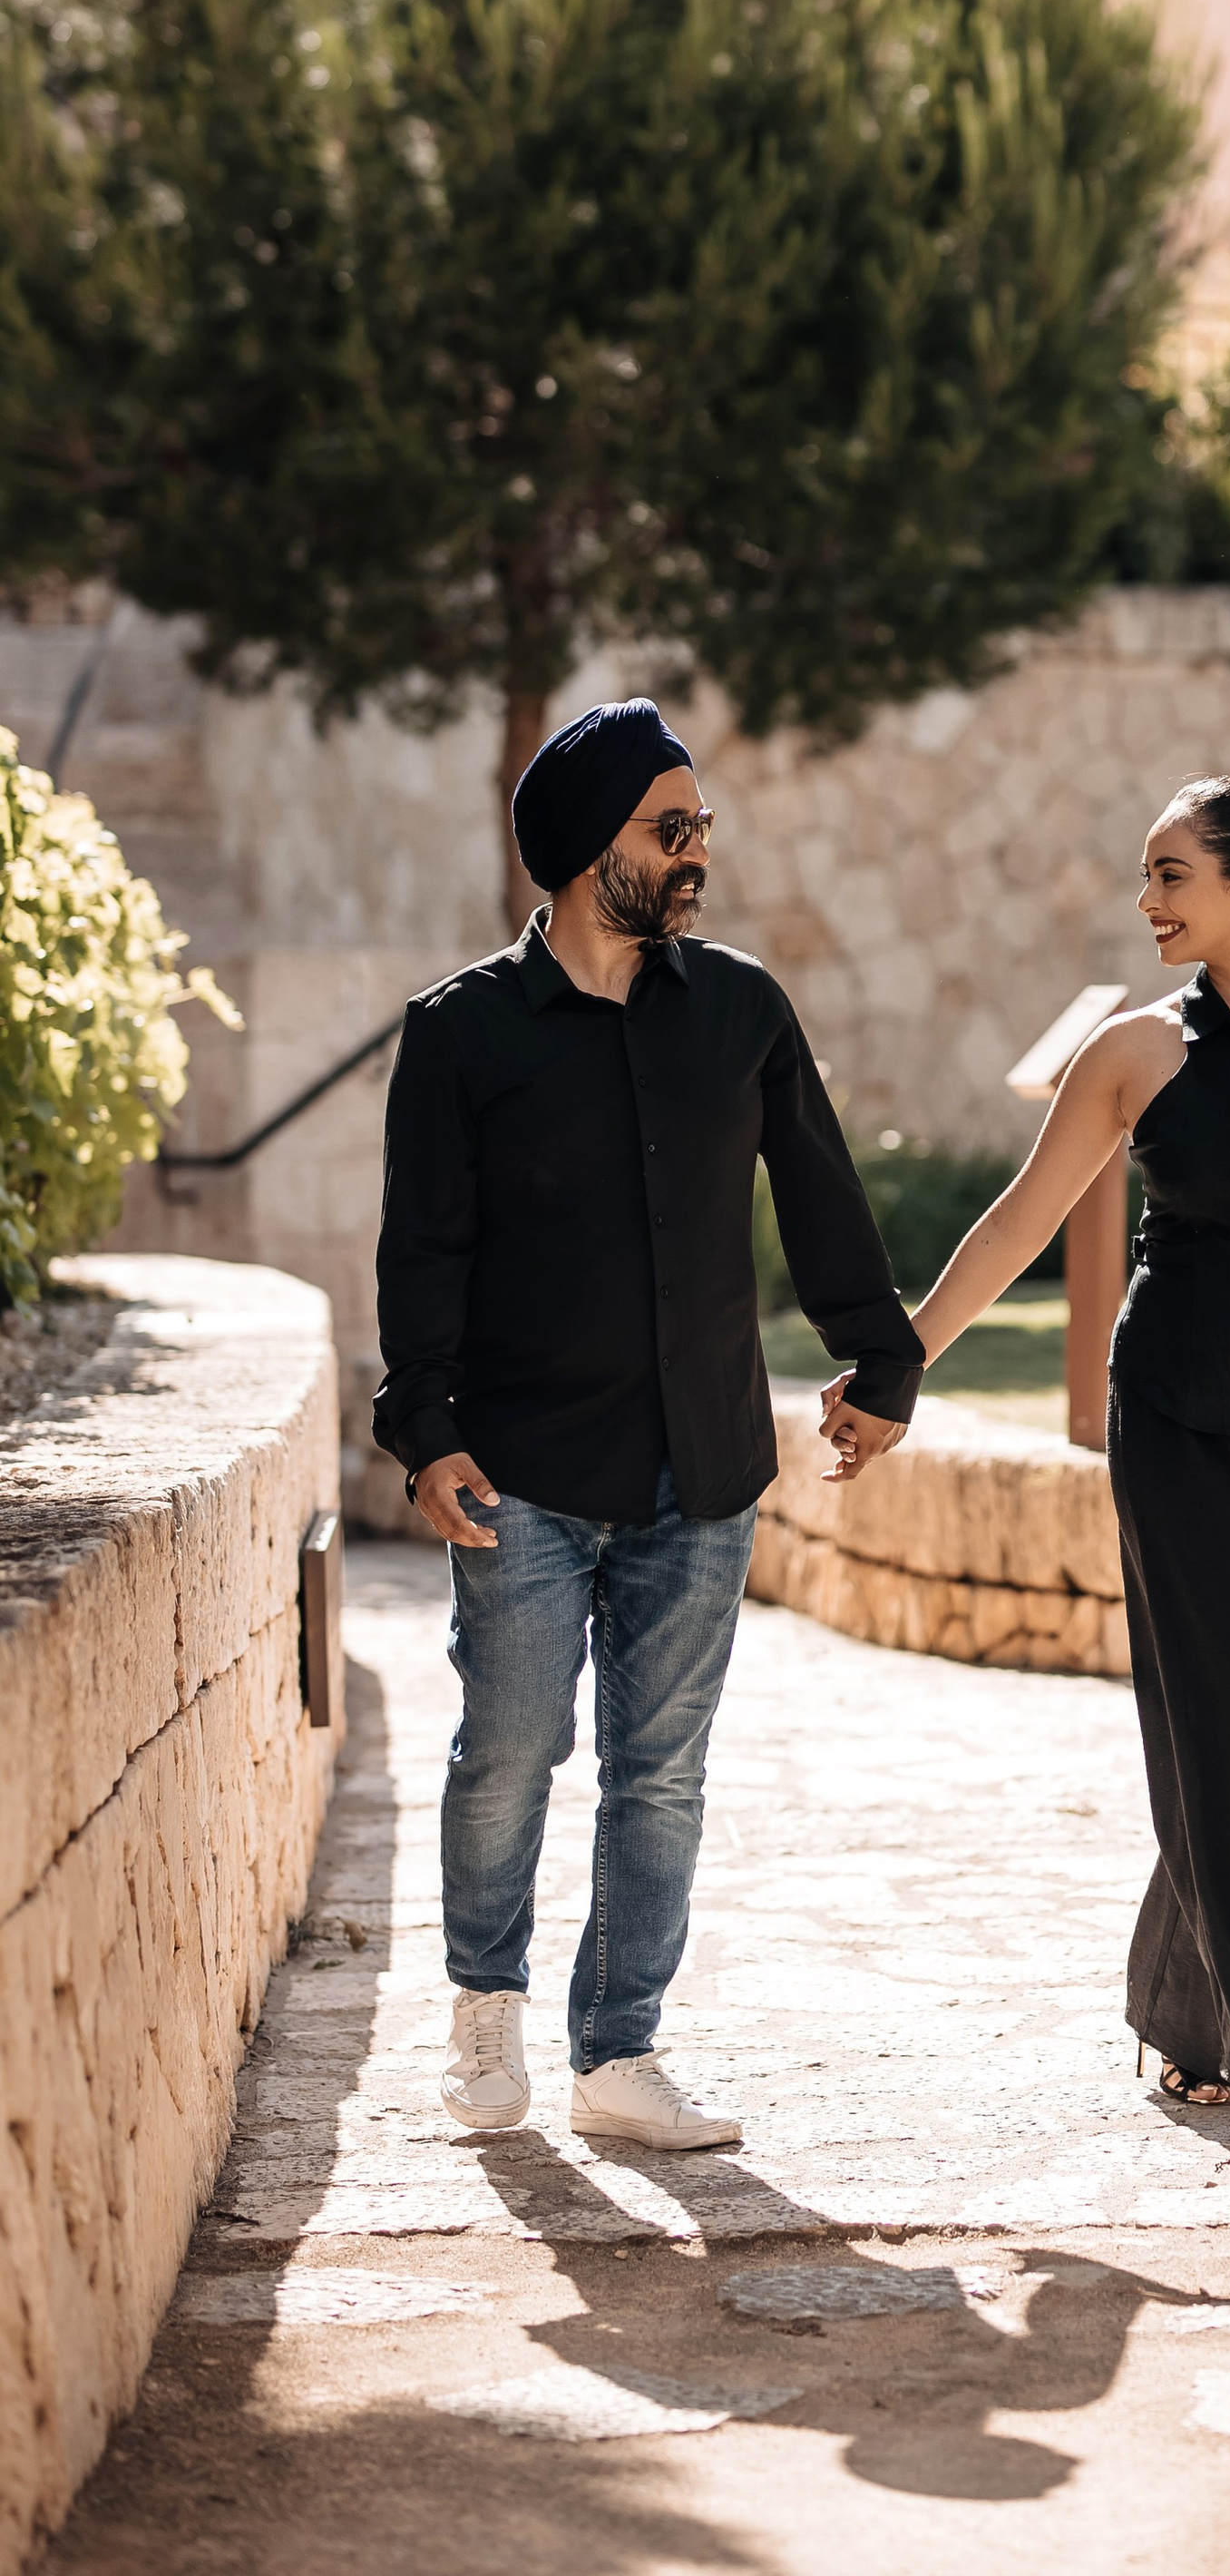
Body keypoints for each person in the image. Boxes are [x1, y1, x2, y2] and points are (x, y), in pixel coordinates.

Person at [827, 764, 1230, 2148]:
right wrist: (900, 1367)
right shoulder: (1131, 1053)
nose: (1146, 903)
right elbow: (1016, 1223)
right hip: (1181, 1422)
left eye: (1170, 876)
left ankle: (1188, 2018)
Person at [376, 697, 921, 2150]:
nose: (694, 855)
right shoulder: (461, 1034)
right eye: (665, 829)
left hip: (706, 1471)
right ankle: (483, 2017)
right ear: (581, 850)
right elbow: (422, 1251)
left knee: (659, 1771)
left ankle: (616, 2055)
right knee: (507, 1751)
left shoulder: (741, 1008)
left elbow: (821, 1200)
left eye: (700, 828)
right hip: (523, 1474)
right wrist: (423, 1430)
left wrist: (883, 1362)